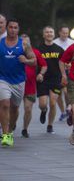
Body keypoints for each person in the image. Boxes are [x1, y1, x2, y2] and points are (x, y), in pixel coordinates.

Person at [0, 18, 36, 146]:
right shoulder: (0, 43)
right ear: (6, 28)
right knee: (4, 104)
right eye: (11, 27)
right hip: (3, 79)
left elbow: (34, 60)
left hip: (19, 81)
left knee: (14, 108)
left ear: (18, 30)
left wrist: (26, 61)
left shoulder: (24, 44)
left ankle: (10, 131)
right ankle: (5, 135)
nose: (13, 30)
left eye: (15, 28)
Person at [37, 26, 64, 133]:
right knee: (42, 104)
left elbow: (64, 63)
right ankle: (43, 110)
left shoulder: (59, 49)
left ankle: (50, 125)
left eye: (51, 32)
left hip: (56, 79)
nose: (49, 34)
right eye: (47, 32)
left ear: (54, 34)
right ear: (43, 35)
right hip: (42, 79)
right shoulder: (39, 49)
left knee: (53, 103)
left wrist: (64, 74)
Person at [21, 34, 47, 138]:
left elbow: (44, 65)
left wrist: (41, 74)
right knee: (12, 108)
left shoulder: (35, 52)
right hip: (14, 84)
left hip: (30, 86)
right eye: (22, 43)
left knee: (28, 108)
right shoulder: (14, 52)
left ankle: (25, 128)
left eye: (26, 43)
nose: (25, 45)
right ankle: (11, 123)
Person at [53, 26, 74, 121]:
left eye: (67, 33)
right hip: (57, 70)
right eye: (63, 33)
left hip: (68, 70)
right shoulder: (55, 43)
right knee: (58, 93)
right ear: (59, 33)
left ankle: (68, 107)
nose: (65, 35)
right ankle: (63, 112)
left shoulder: (72, 43)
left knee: (66, 92)